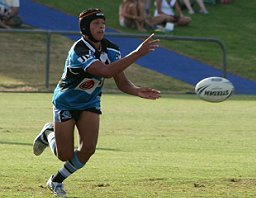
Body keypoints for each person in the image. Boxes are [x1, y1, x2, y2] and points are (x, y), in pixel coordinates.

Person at [33, 8, 160, 197]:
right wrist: (137, 53)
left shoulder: (111, 49)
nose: (101, 28)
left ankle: (56, 181)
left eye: (103, 24)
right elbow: (105, 72)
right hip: (66, 103)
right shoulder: (79, 50)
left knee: (88, 149)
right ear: (85, 27)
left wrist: (136, 90)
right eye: (96, 24)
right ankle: (48, 133)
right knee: (64, 155)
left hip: (90, 102)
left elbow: (121, 81)